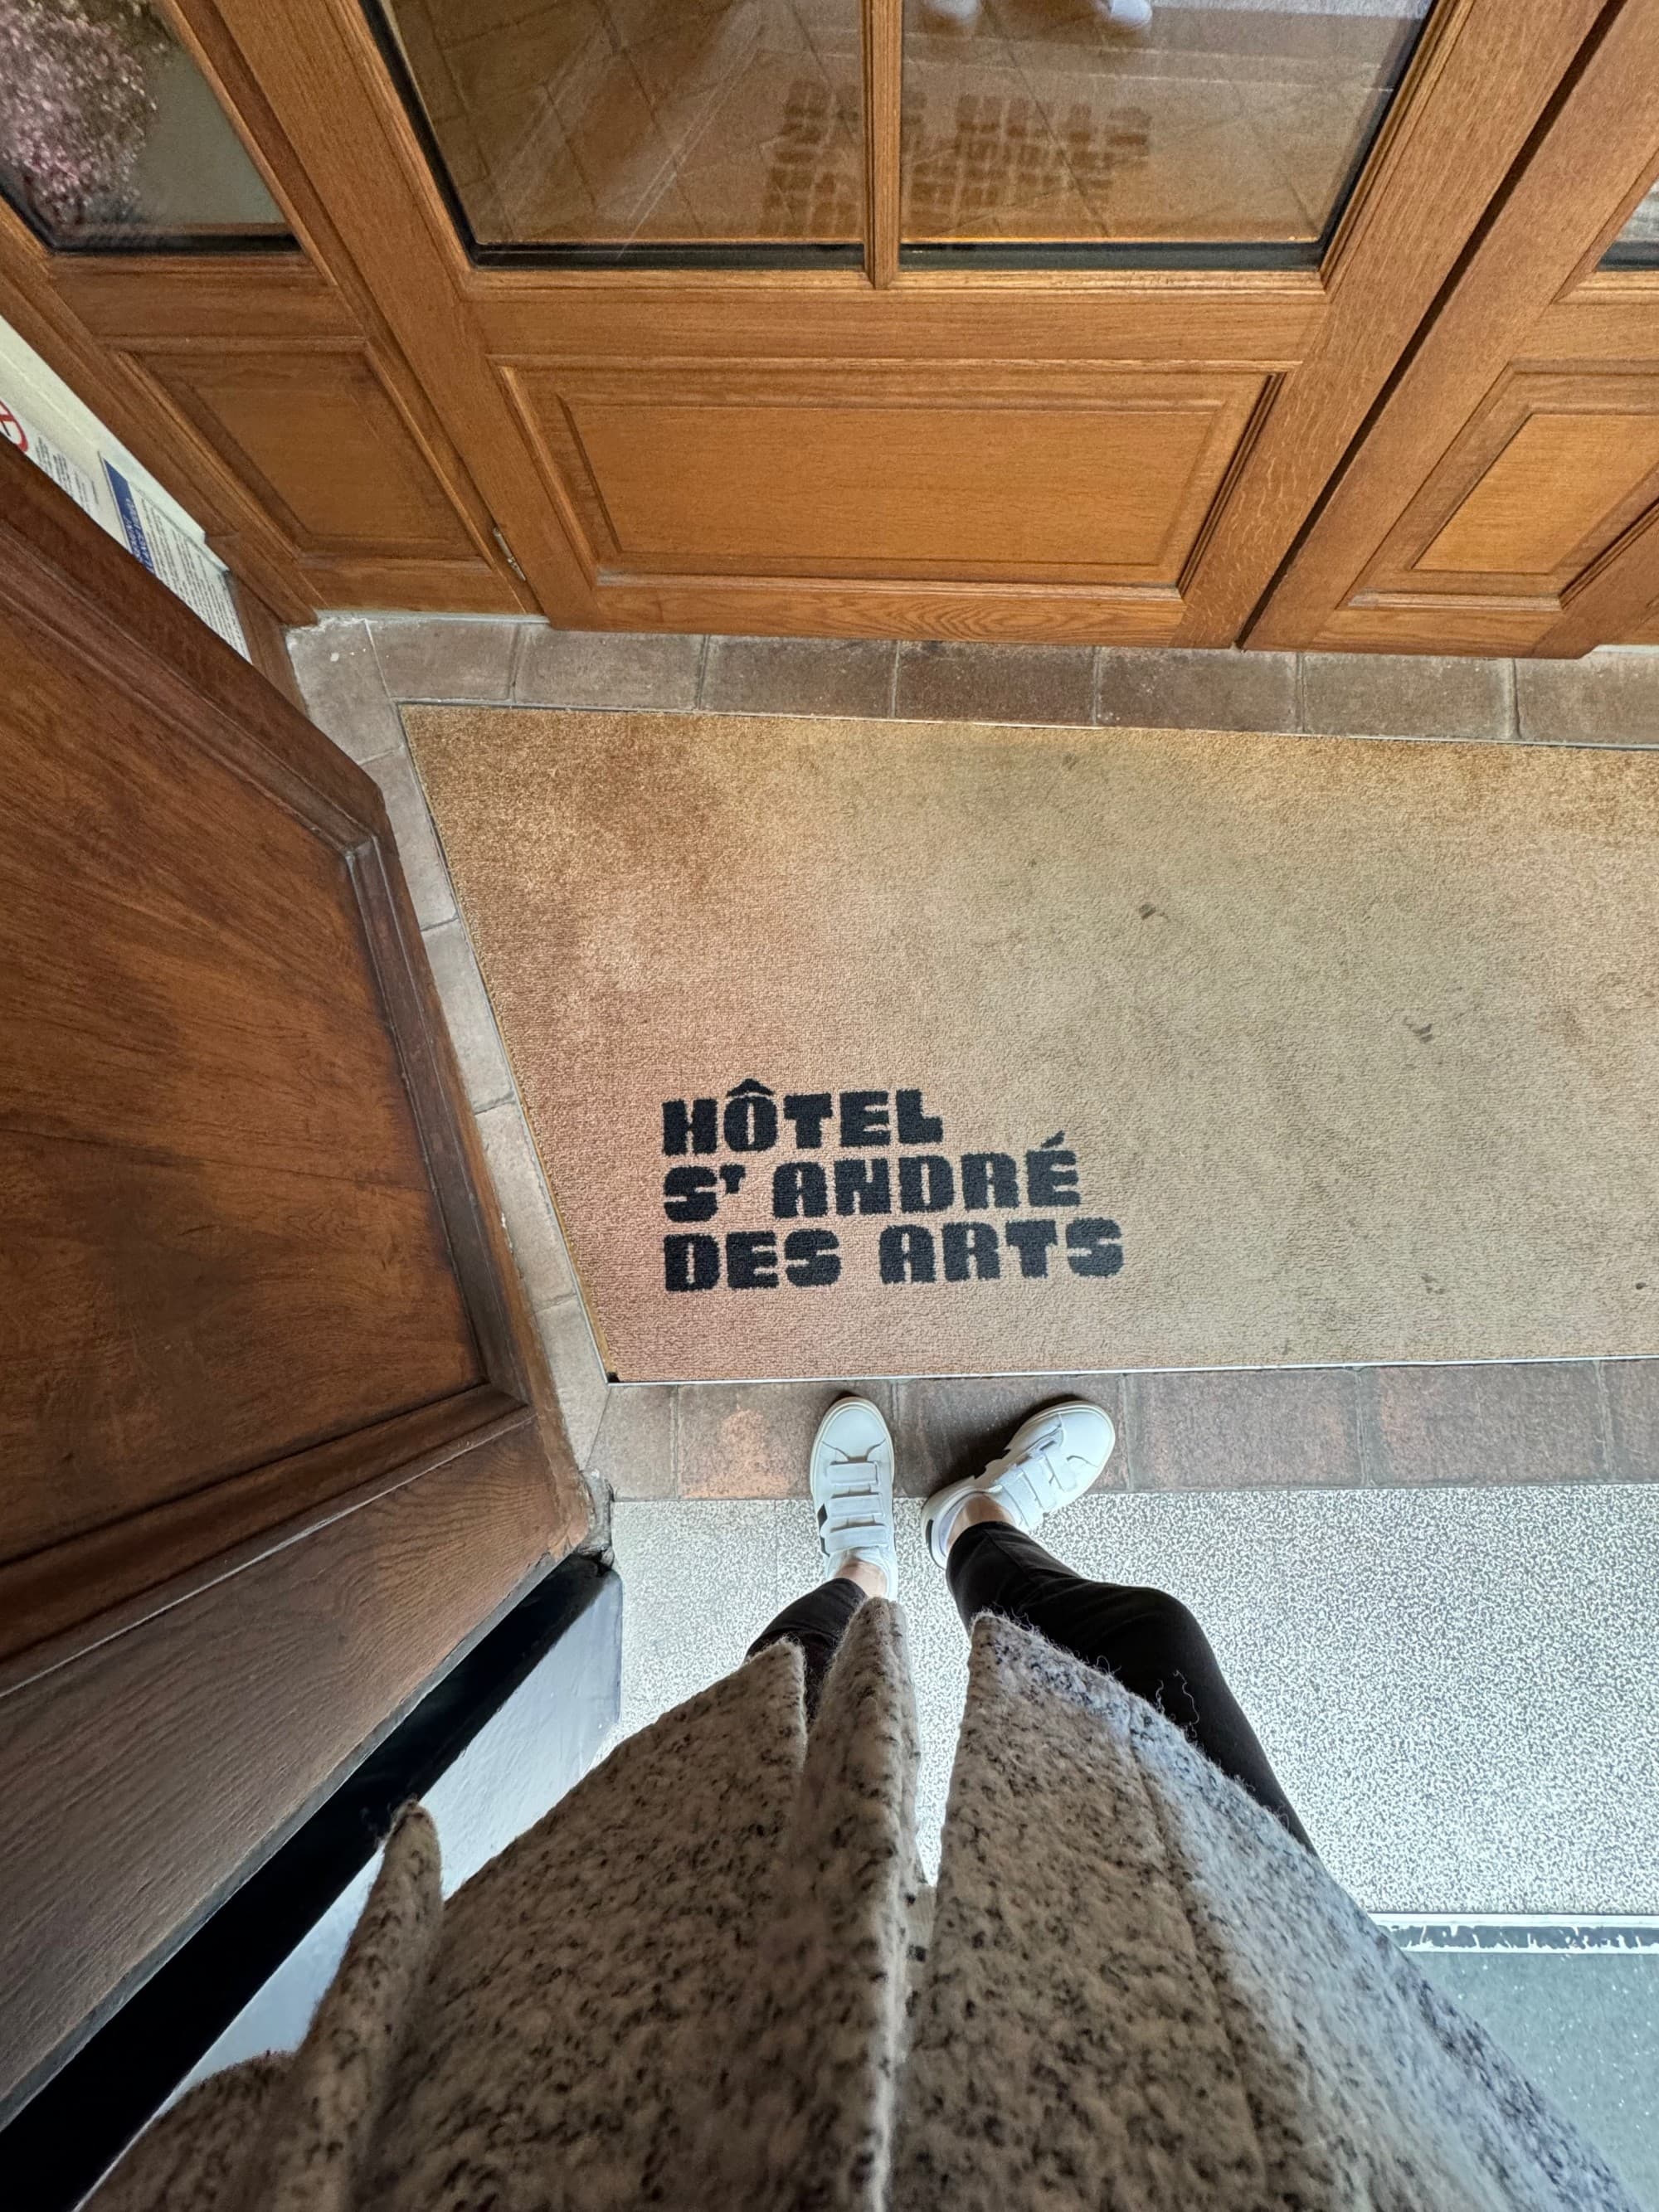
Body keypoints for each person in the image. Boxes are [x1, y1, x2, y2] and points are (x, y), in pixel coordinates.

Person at [94, 1397, 1638, 2212]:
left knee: (794, 1720)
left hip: (594, 2111)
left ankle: (860, 1566)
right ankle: (976, 1529)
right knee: (1148, 1653)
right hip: (1312, 2112)